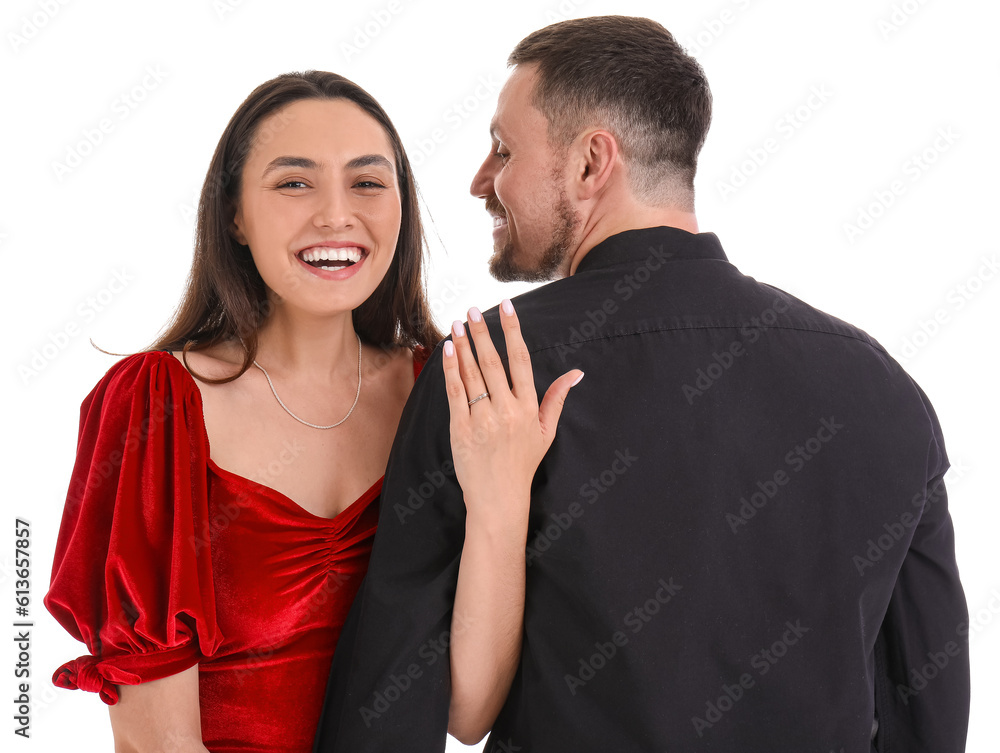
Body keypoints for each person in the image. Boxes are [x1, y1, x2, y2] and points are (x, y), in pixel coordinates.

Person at [313, 16, 970, 753]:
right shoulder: (883, 390)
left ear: (593, 162)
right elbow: (928, 716)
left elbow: (386, 715)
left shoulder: (491, 370)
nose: (480, 180)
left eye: (504, 149)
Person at [43, 71, 581, 753]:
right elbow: (158, 744)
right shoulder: (156, 404)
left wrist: (502, 498)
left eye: (367, 182)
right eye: (294, 182)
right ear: (234, 214)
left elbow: (469, 711)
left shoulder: (449, 390)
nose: (335, 214)